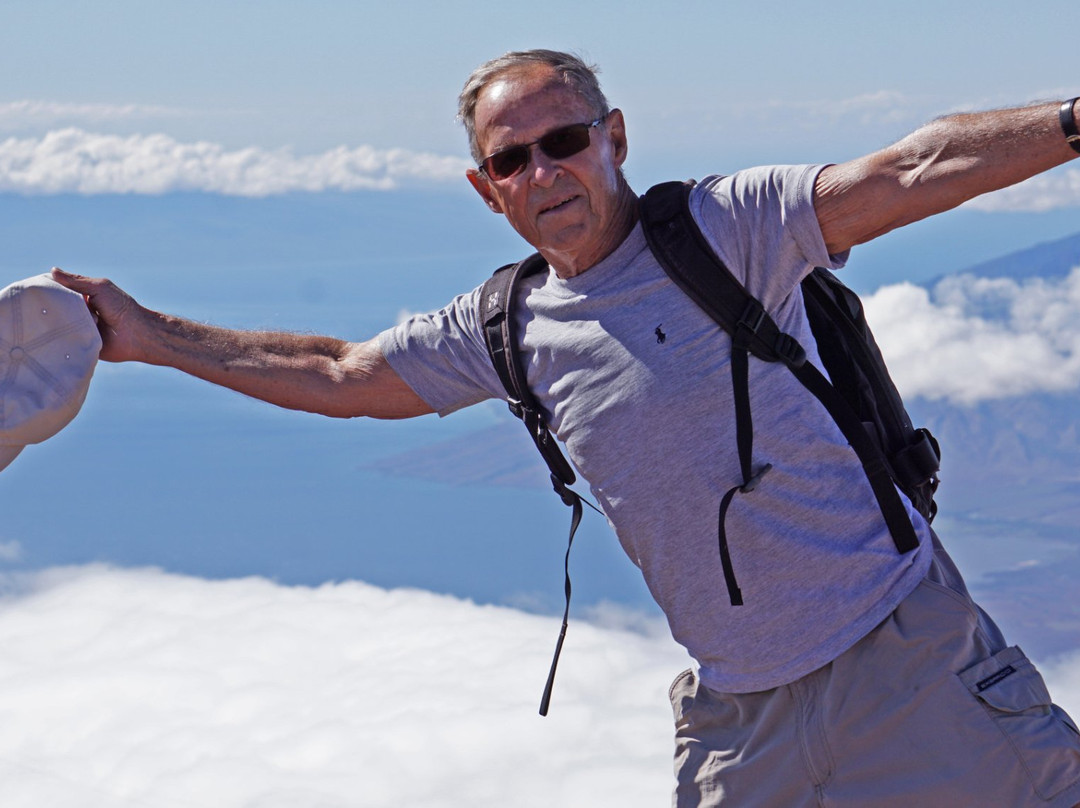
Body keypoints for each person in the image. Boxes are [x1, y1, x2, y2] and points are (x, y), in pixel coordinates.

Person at [53, 49, 1080, 806]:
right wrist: (151, 335)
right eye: (513, 160)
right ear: (484, 188)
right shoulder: (504, 326)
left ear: (615, 138)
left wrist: (1074, 118)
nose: (545, 173)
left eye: (565, 141)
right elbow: (342, 373)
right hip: (742, 723)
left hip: (904, 665)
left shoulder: (733, 228)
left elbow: (909, 168)